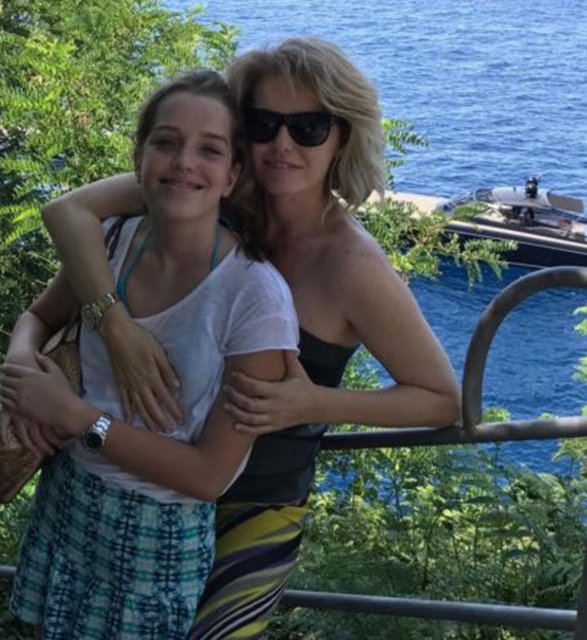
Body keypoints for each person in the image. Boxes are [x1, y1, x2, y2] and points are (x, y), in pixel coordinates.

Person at [37, 37, 460, 639]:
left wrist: (314, 402)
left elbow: (441, 398)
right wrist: (116, 326)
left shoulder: (351, 265)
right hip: (143, 479)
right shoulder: (213, 191)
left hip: (257, 497)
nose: (283, 144)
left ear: (342, 136)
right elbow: (68, 214)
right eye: (264, 125)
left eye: (308, 127)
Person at [0, 69, 299, 640]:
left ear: (233, 175)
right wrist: (19, 368)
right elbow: (37, 318)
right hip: (67, 500)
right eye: (166, 142)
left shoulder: (254, 298)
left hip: (157, 537)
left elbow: (209, 476)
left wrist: (78, 416)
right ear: (138, 160)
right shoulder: (113, 242)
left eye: (209, 149)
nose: (184, 162)